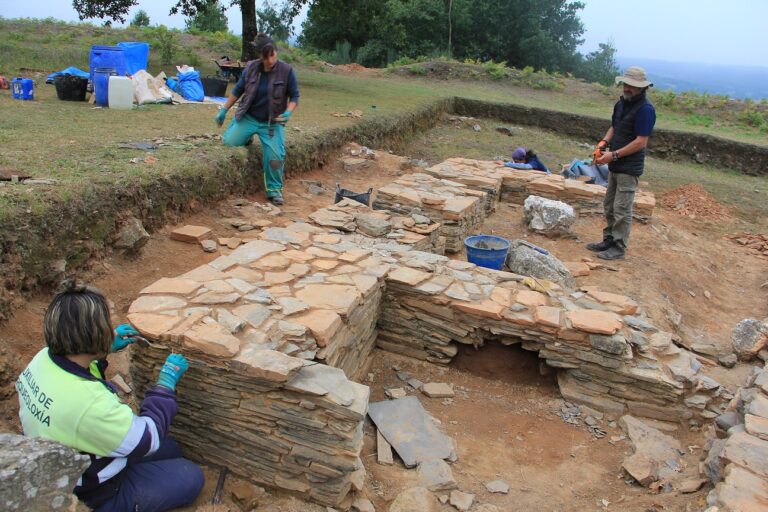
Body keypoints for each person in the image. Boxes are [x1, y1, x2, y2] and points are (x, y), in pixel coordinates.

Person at [16, 280, 203, 512]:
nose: (112, 327)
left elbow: (84, 373)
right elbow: (149, 437)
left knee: (172, 448)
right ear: (92, 335)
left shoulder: (43, 359)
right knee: (190, 476)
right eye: (107, 325)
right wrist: (165, 386)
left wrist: (105, 349)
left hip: (72, 455)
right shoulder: (90, 404)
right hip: (93, 490)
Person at [215, 34, 300, 206]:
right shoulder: (251, 68)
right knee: (229, 143)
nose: (270, 60)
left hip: (272, 123)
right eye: (266, 56)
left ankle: (274, 189)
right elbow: (237, 91)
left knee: (275, 156)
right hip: (249, 117)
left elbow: (295, 96)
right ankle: (244, 134)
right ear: (260, 56)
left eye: (273, 55)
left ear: (276, 52)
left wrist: (288, 112)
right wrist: (224, 110)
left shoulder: (286, 71)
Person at [587, 66, 656, 260]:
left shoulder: (645, 110)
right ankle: (608, 239)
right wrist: (603, 143)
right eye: (626, 84)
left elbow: (641, 141)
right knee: (609, 205)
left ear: (642, 88)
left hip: (629, 167)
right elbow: (614, 127)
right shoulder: (622, 103)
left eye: (632, 86)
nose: (627, 88)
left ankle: (618, 247)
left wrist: (613, 155)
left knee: (622, 209)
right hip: (615, 165)